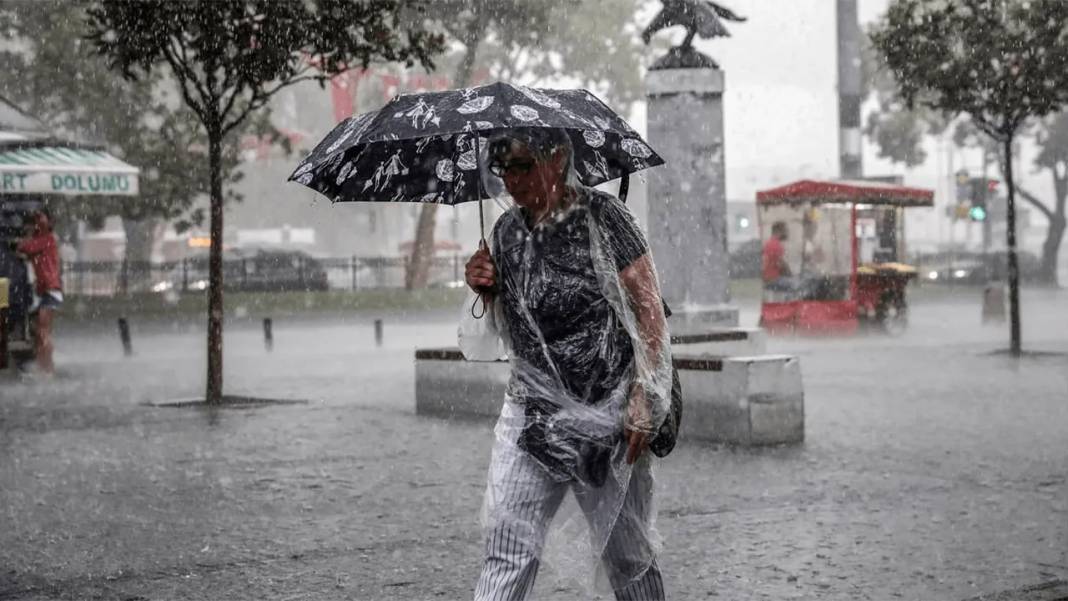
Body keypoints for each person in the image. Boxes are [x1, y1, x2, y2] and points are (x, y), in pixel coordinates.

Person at [462, 129, 672, 601]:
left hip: (608, 417)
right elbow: (511, 327)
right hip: (532, 416)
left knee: (628, 558)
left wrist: (646, 394)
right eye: (502, 170)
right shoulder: (506, 233)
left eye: (521, 166)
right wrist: (485, 288)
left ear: (557, 158)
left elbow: (648, 310)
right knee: (508, 546)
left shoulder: (605, 219)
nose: (511, 181)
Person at [14, 208, 62, 375]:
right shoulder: (43, 240)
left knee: (42, 332)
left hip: (50, 289)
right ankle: (45, 366)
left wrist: (23, 239)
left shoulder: (46, 239)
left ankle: (47, 369)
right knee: (39, 332)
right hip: (44, 290)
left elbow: (25, 247)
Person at [762, 220, 792, 292]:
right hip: (773, 280)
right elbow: (782, 265)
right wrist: (790, 274)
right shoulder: (776, 245)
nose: (787, 233)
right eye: (785, 230)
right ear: (778, 231)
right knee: (797, 285)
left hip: (767, 279)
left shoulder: (769, 243)